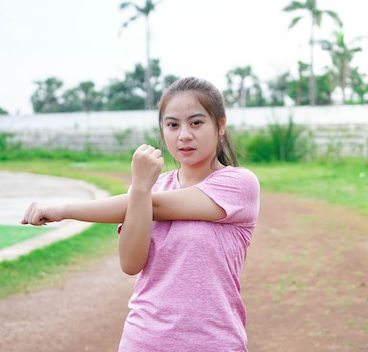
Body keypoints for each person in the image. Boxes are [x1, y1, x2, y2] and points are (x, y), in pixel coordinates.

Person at [22, 76, 260, 351]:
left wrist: (64, 210)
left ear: (220, 125)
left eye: (196, 122)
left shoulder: (238, 184)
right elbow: (131, 263)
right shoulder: (149, 190)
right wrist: (140, 189)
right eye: (172, 125)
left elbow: (156, 206)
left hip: (212, 342)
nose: (183, 135)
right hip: (143, 340)